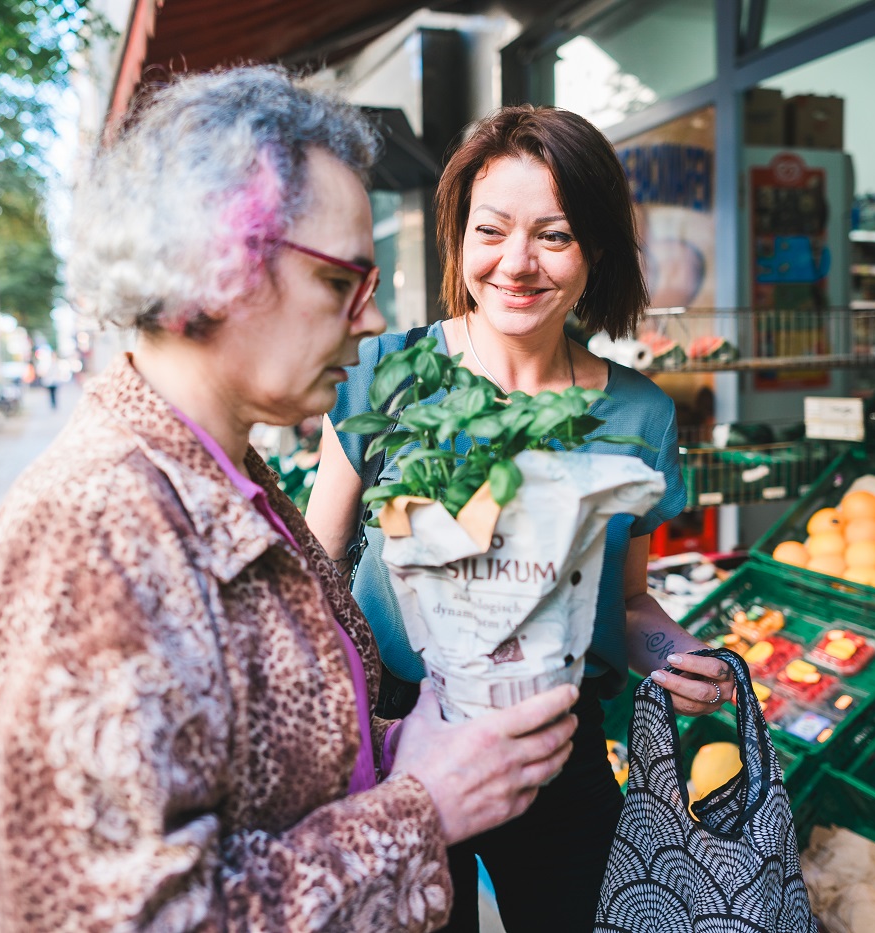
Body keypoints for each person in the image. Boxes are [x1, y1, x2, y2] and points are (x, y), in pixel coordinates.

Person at [0, 68, 582, 933]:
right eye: (342, 282)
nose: (371, 320)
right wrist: (423, 805)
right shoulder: (89, 537)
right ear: (216, 264)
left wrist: (404, 750)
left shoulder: (219, 475)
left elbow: (265, 767)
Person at [307, 105, 735, 933]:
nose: (516, 263)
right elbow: (312, 579)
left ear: (596, 250)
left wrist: (683, 658)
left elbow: (626, 604)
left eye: (555, 235)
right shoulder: (385, 374)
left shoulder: (639, 414)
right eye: (491, 230)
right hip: (399, 737)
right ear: (459, 238)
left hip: (555, 737)